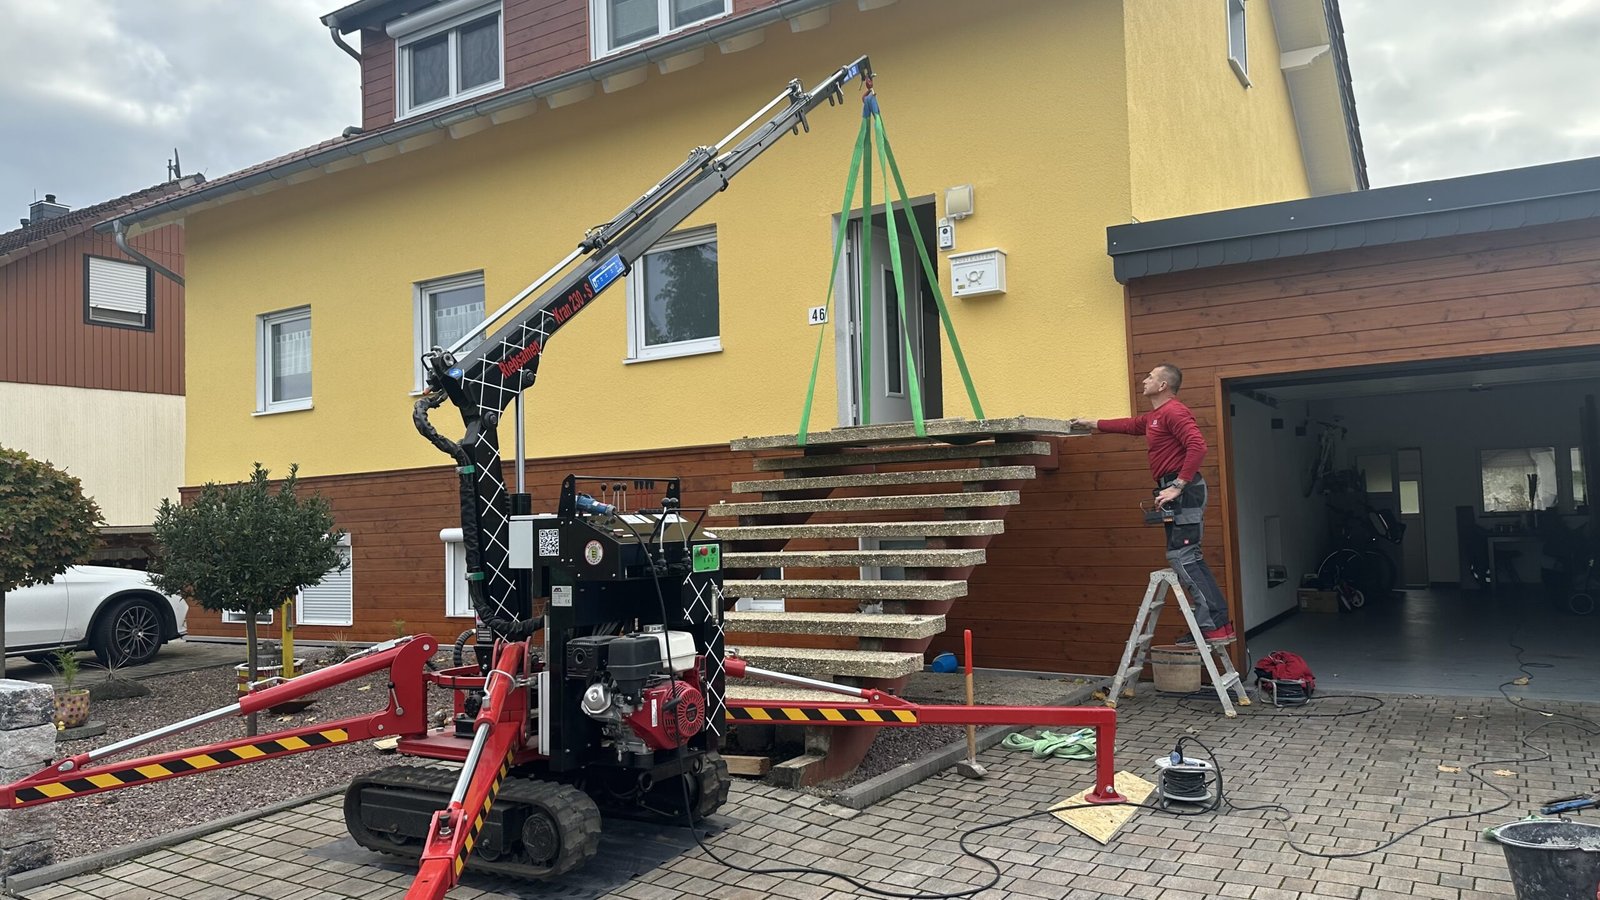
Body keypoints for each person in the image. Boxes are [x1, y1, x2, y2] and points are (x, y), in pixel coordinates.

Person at [1070, 363, 1233, 642]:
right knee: (1188, 556)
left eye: (1150, 377)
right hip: (1175, 490)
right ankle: (1216, 623)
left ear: (1163, 385)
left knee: (1182, 557)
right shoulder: (1155, 416)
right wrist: (1091, 423)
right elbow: (1130, 425)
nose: (1144, 380)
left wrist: (1177, 486)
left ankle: (1212, 626)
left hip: (1185, 491)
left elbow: (1198, 446)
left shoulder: (1174, 411)